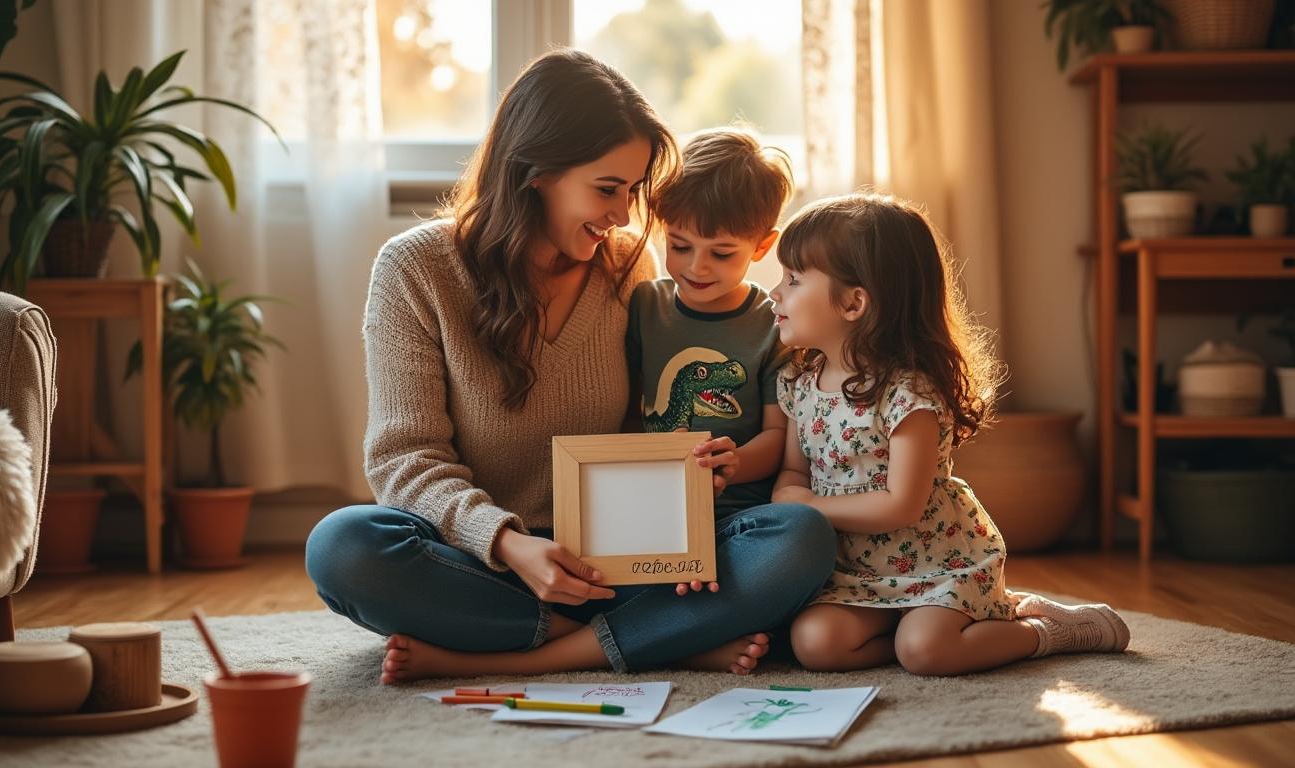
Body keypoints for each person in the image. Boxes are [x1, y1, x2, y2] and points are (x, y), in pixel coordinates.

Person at [304, 49, 836, 684]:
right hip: (487, 563)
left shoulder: (625, 269)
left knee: (798, 536)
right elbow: (403, 459)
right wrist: (509, 544)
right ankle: (651, 640)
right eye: (607, 189)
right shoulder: (415, 270)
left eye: (633, 190)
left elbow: (664, 424)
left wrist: (684, 528)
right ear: (535, 170)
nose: (622, 215)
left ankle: (552, 646)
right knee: (344, 548)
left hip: (625, 567)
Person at [769, 193, 1130, 675]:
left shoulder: (907, 393)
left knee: (928, 654)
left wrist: (810, 508)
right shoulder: (799, 383)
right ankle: (919, 634)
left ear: (854, 303)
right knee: (815, 644)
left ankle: (1045, 631)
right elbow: (794, 470)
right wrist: (789, 496)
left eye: (793, 280)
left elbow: (902, 504)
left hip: (937, 564)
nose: (775, 292)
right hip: (854, 572)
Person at [626, 127, 793, 518]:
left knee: (803, 531)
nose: (696, 267)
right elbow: (628, 411)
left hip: (739, 509)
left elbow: (776, 435)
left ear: (762, 246)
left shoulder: (774, 324)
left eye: (721, 253)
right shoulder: (645, 305)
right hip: (658, 502)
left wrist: (734, 465)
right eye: (680, 246)